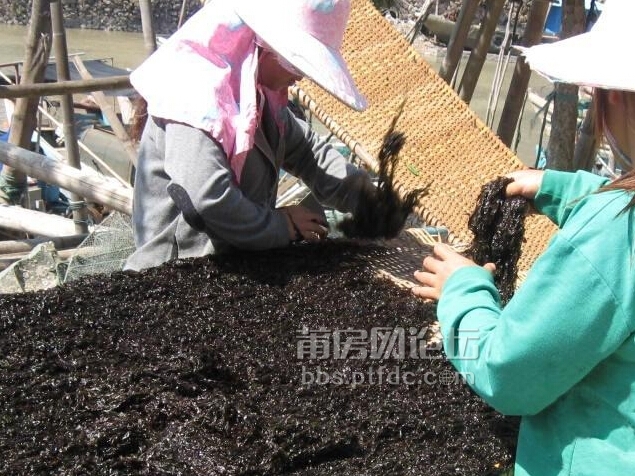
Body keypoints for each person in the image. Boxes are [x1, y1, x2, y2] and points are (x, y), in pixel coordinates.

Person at [412, 1, 635, 475]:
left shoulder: (616, 230)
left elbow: (507, 372)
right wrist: (558, 187)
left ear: (614, 94)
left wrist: (463, 290)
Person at [125, 0, 373, 271]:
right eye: (297, 66)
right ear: (264, 46)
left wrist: (369, 199)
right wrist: (282, 225)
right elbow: (209, 198)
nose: (301, 79)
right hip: (175, 277)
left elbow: (307, 151)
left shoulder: (255, 97)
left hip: (238, 266)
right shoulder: (194, 96)